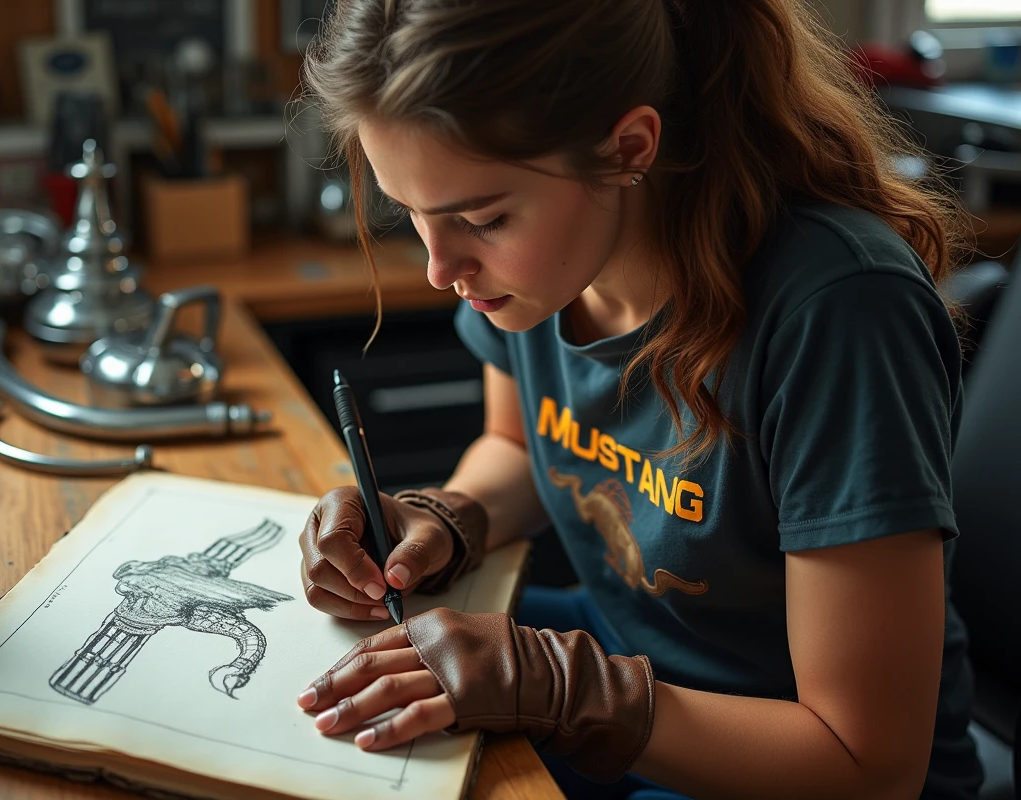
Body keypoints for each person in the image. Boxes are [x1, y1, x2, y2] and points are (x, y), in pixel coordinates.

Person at [292, 1, 985, 798]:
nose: (438, 267)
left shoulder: (839, 314)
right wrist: (448, 517)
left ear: (627, 148)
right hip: (630, 668)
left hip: (788, 755)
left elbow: (869, 763)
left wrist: (552, 686)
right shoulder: (539, 270)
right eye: (410, 212)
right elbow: (521, 447)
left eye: (481, 218)